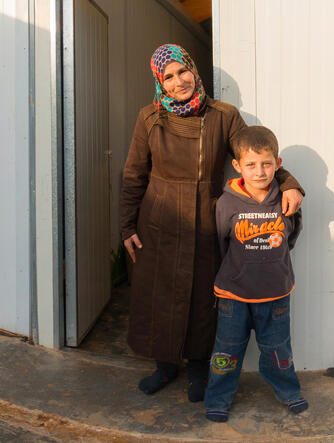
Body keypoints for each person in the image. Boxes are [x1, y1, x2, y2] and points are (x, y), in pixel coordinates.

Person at [119, 44, 303, 402]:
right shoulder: (148, 118)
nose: (177, 82)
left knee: (203, 296)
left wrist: (292, 184)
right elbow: (133, 175)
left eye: (182, 71)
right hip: (157, 219)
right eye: (168, 77)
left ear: (194, 70)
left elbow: (255, 152)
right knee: (160, 293)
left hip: (206, 216)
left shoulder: (224, 115)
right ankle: (165, 365)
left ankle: (200, 368)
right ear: (160, 82)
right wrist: (127, 227)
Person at [203, 126, 307, 423]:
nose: (259, 172)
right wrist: (242, 267)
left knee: (278, 349)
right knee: (226, 351)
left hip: (275, 293)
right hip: (233, 295)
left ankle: (288, 391)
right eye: (251, 164)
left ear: (278, 163)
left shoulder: (286, 199)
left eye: (266, 164)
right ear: (237, 166)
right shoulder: (227, 203)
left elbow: (292, 235)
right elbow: (222, 242)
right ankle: (218, 398)